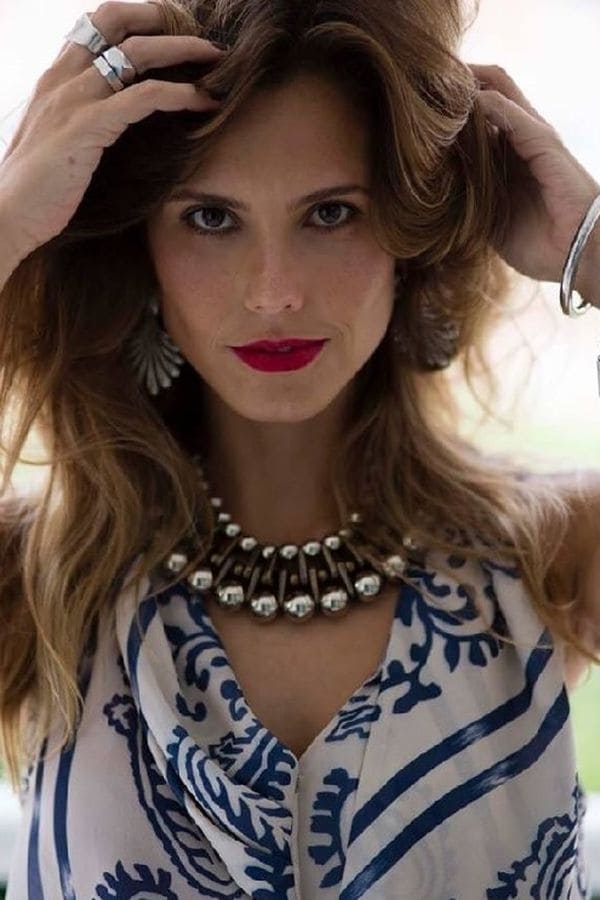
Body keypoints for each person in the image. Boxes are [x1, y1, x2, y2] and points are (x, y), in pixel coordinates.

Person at [0, 0, 599, 896]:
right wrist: (6, 226)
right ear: (141, 253)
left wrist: (594, 248)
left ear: (408, 239)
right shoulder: (35, 585)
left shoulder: (552, 557)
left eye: (331, 213)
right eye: (211, 218)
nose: (274, 292)